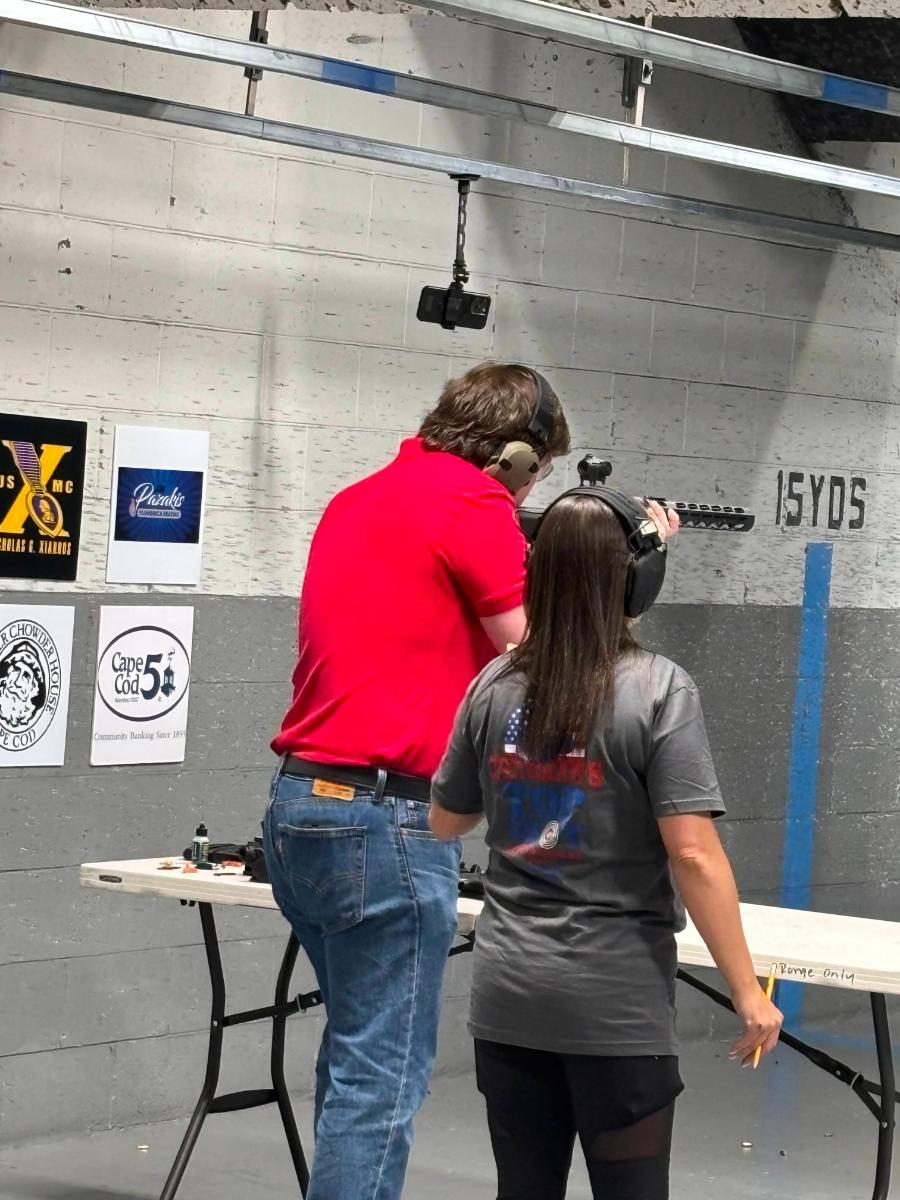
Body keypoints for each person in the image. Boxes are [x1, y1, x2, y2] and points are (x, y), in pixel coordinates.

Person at [264, 363, 677, 1200]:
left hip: (301, 807)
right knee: (381, 1079)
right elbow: (547, 665)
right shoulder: (471, 504)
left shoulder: (357, 497)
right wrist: (636, 573)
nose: (535, 486)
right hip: (384, 820)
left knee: (355, 1057)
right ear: (515, 456)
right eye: (539, 469)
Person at [429, 488, 782, 1200]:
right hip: (616, 1007)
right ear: (635, 584)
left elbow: (447, 821)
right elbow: (692, 854)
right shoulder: (660, 690)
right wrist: (748, 992)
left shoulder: (494, 682)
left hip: (510, 1000)